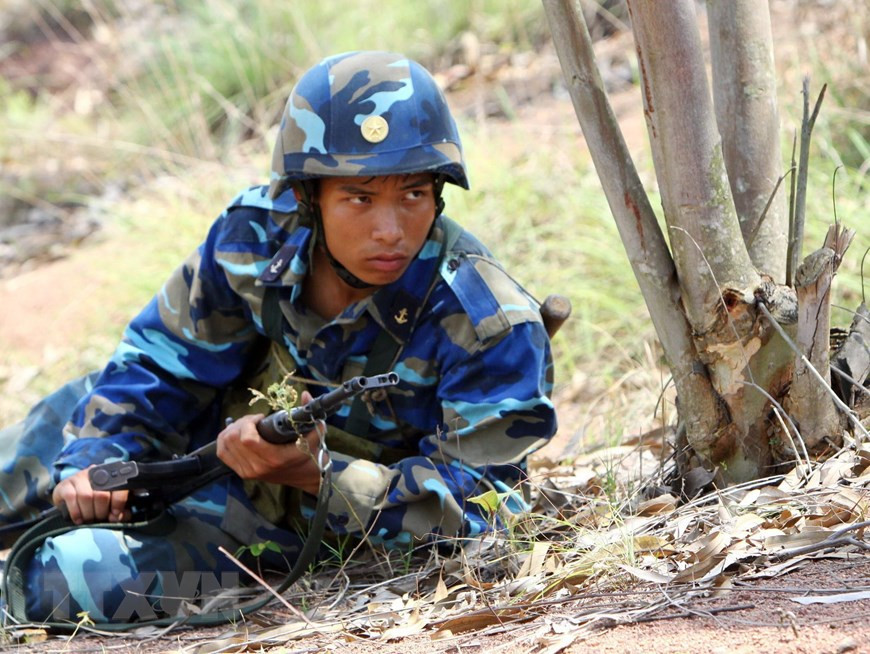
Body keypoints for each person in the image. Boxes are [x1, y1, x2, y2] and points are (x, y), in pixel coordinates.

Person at [0, 50, 556, 626]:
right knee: (45, 444)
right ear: (305, 197)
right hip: (193, 439)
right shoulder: (255, 235)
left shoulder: (486, 321)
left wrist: (317, 473)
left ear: (438, 194)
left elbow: (487, 512)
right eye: (359, 198)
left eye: (413, 195)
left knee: (56, 579)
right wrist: (97, 458)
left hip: (278, 523)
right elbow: (161, 364)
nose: (391, 230)